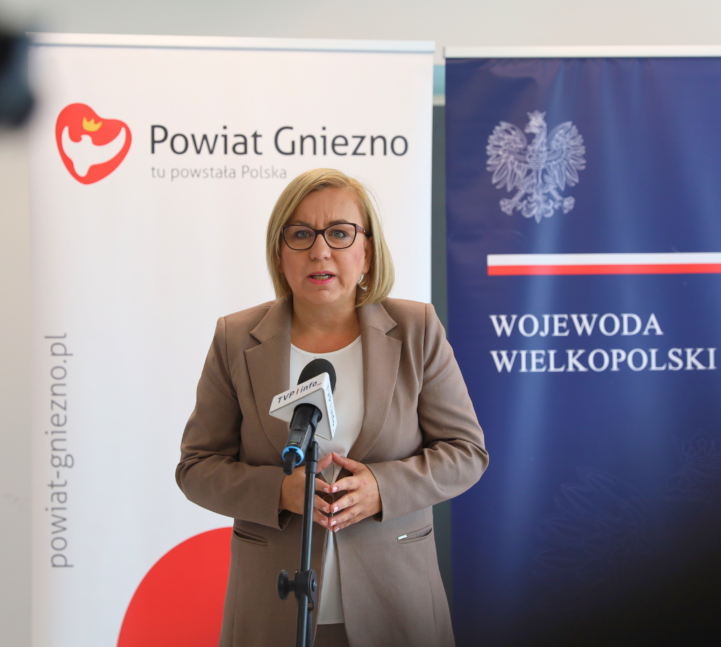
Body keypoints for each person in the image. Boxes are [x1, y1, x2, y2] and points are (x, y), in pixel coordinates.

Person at [176, 168, 488, 647]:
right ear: (279, 254)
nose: (320, 251)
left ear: (368, 252)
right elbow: (197, 468)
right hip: (272, 608)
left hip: (396, 603)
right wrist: (279, 492)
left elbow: (466, 453)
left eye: (340, 233)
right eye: (301, 234)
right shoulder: (235, 339)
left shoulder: (417, 329)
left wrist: (382, 488)